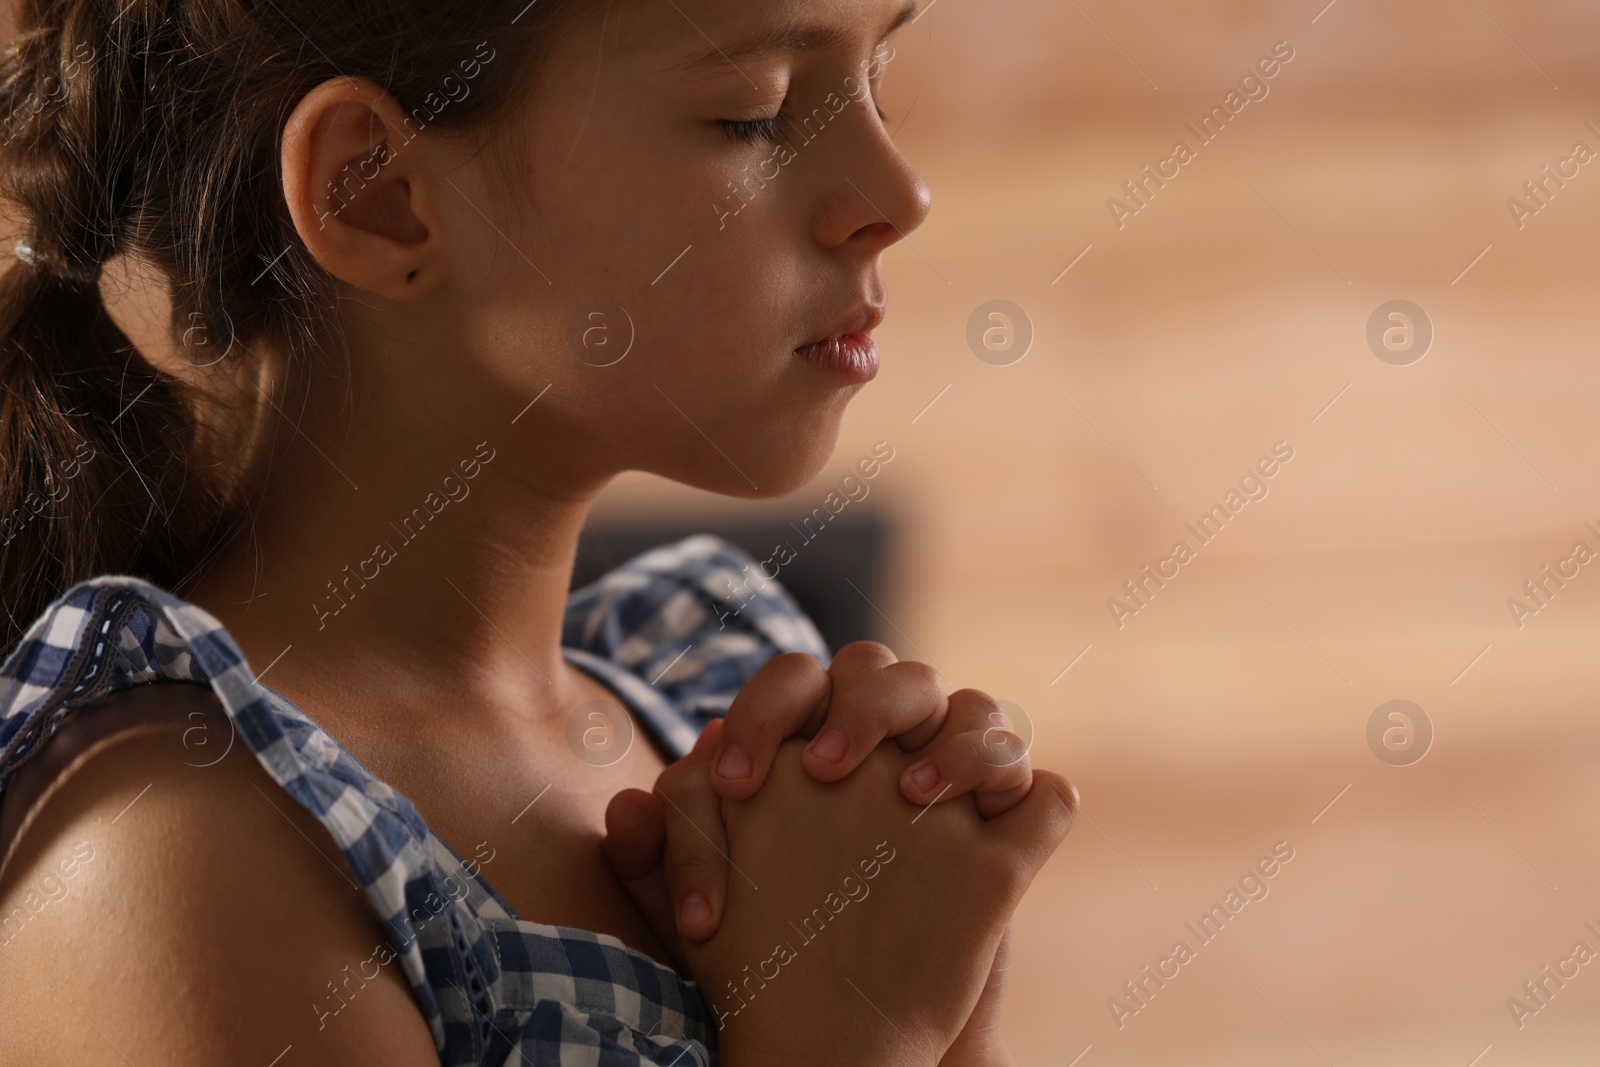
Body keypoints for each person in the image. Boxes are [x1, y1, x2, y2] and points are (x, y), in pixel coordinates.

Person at [0, 0, 1077, 1063]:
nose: (899, 194)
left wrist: (939, 955)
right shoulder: (166, 856)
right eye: (756, 112)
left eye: (877, 83)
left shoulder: (716, 710)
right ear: (378, 194)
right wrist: (852, 1025)